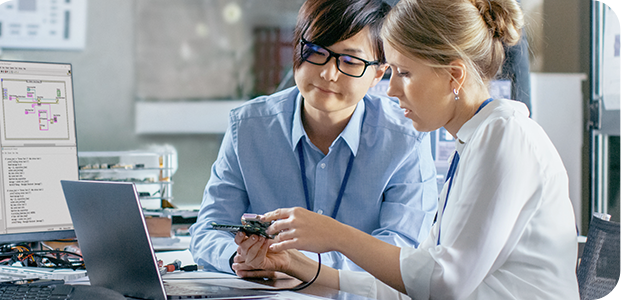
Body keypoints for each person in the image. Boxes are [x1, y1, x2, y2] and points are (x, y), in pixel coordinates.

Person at [232, 0, 581, 299]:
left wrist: (333, 234)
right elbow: (413, 281)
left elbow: (445, 283)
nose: (392, 90)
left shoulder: (505, 136)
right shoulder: (474, 142)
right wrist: (297, 264)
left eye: (404, 73)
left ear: (454, 76)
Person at [188, 0, 439, 274]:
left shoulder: (406, 138)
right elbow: (208, 230)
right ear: (297, 47)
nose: (327, 73)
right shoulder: (248, 127)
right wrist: (239, 259)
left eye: (350, 61)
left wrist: (302, 267)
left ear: (378, 73)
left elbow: (402, 247)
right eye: (316, 51)